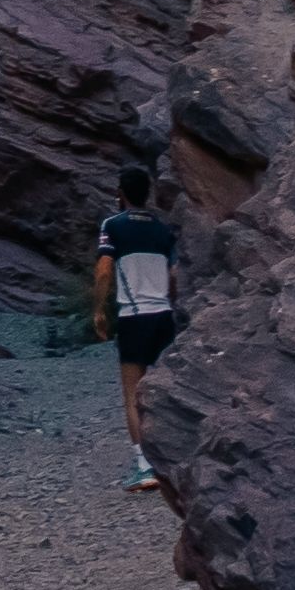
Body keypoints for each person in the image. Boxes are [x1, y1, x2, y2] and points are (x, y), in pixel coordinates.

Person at [97, 163, 185, 491]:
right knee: (161, 390)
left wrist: (98, 312)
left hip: (133, 317)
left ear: (120, 193)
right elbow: (174, 274)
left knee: (134, 394)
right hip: (163, 315)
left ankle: (145, 465)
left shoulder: (113, 225)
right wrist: (170, 301)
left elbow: (105, 269)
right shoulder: (162, 229)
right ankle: (172, 457)